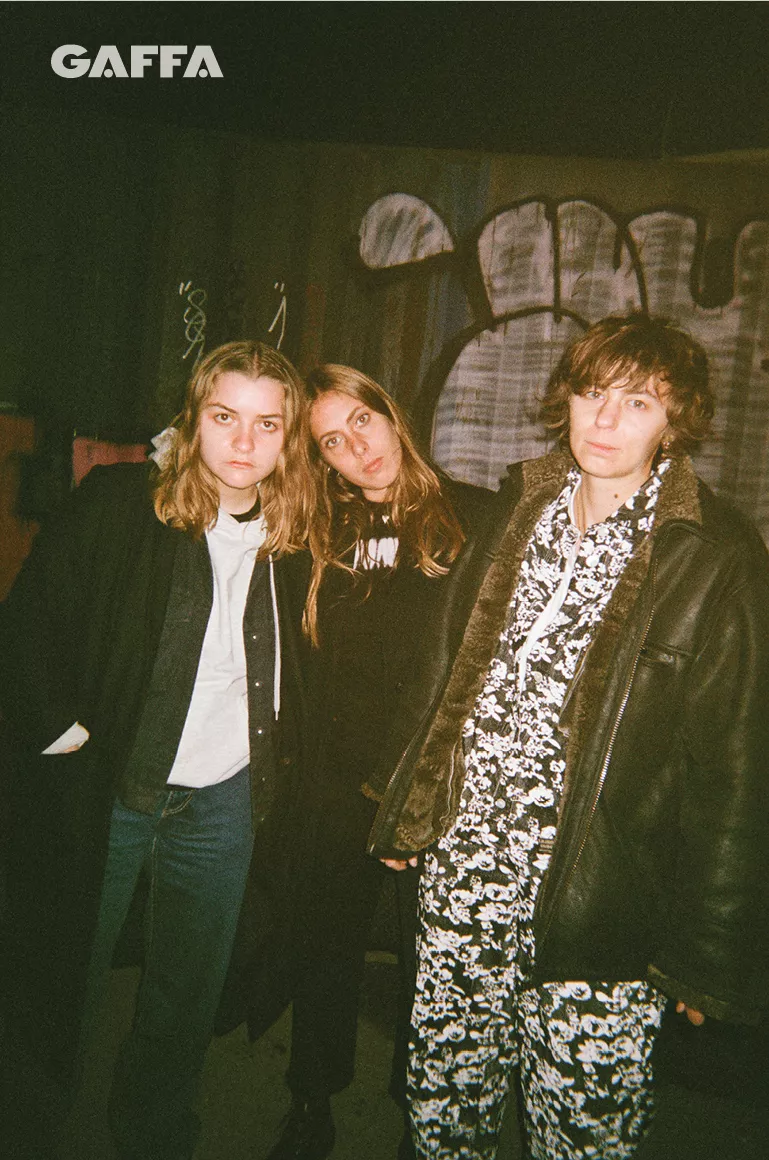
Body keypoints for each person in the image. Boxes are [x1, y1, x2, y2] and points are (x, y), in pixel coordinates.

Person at [366, 315, 769, 1160]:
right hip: (466, 877)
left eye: (636, 402)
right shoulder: (518, 508)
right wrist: (409, 807)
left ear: (675, 420)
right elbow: (446, 670)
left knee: (582, 1135)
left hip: (601, 905)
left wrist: (708, 952)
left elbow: (734, 765)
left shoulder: (712, 553)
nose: (605, 420)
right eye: (591, 393)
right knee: (444, 1110)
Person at [1, 341, 312, 1160]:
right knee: (59, 968)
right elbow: (29, 621)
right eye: (224, 417)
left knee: (186, 990)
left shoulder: (297, 535)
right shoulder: (121, 502)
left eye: (267, 424)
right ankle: (30, 1126)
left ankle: (154, 1130)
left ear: (288, 439)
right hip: (113, 782)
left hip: (224, 796)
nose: (243, 441)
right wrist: (60, 730)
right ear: (193, 418)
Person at [261, 365, 492, 1160]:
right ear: (321, 460)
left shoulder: (475, 519)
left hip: (433, 785)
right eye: (331, 440)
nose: (356, 447)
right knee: (323, 944)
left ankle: (420, 1116)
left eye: (361, 420)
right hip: (335, 781)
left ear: (390, 415)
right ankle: (311, 1099)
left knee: (432, 964)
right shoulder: (317, 534)